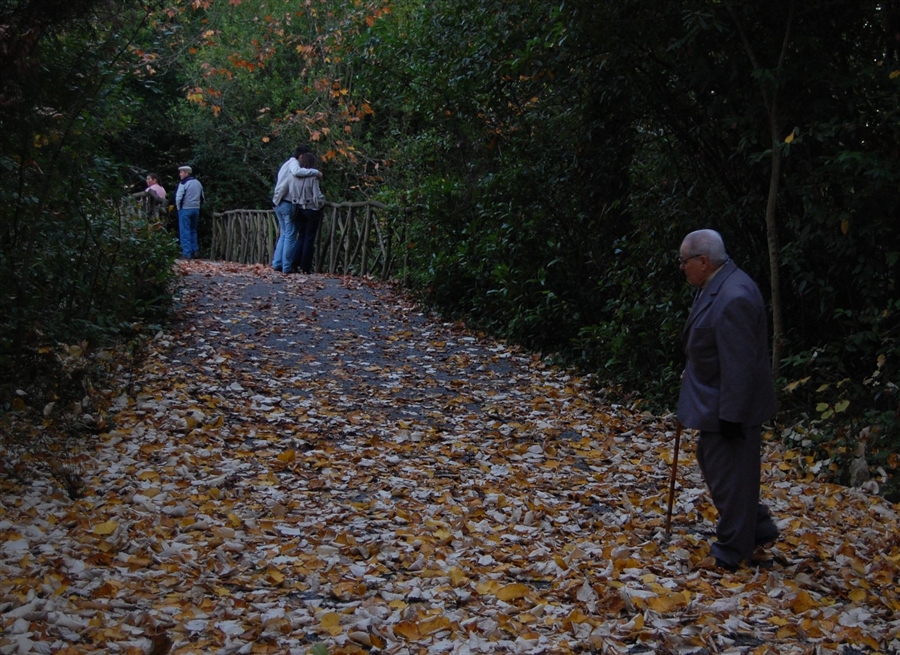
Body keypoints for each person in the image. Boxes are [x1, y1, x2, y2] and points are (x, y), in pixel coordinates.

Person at [676, 229, 779, 571]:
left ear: (703, 262)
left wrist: (732, 418)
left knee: (731, 477)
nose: (682, 267)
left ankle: (732, 551)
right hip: (713, 400)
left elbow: (740, 365)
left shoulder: (734, 296)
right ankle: (758, 526)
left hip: (730, 408)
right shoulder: (714, 286)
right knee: (718, 465)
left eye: (684, 261)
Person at [271, 146, 321, 274]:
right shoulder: (294, 164)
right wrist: (315, 172)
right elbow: (297, 172)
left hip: (278, 202)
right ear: (301, 156)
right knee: (290, 235)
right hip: (287, 202)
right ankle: (286, 267)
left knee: (284, 234)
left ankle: (277, 262)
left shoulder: (286, 164)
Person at [291, 151, 326, 274]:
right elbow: (317, 196)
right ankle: (305, 267)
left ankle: (294, 263)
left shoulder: (294, 176)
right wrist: (322, 204)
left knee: (301, 236)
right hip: (311, 209)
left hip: (298, 209)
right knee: (309, 239)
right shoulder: (313, 177)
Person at [175, 165, 204, 260]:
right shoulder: (198, 183)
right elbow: (202, 196)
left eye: (181, 172)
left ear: (186, 173)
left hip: (185, 208)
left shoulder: (183, 183)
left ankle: (186, 253)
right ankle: (195, 250)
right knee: (193, 230)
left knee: (185, 231)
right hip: (196, 209)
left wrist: (179, 208)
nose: (180, 174)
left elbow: (179, 197)